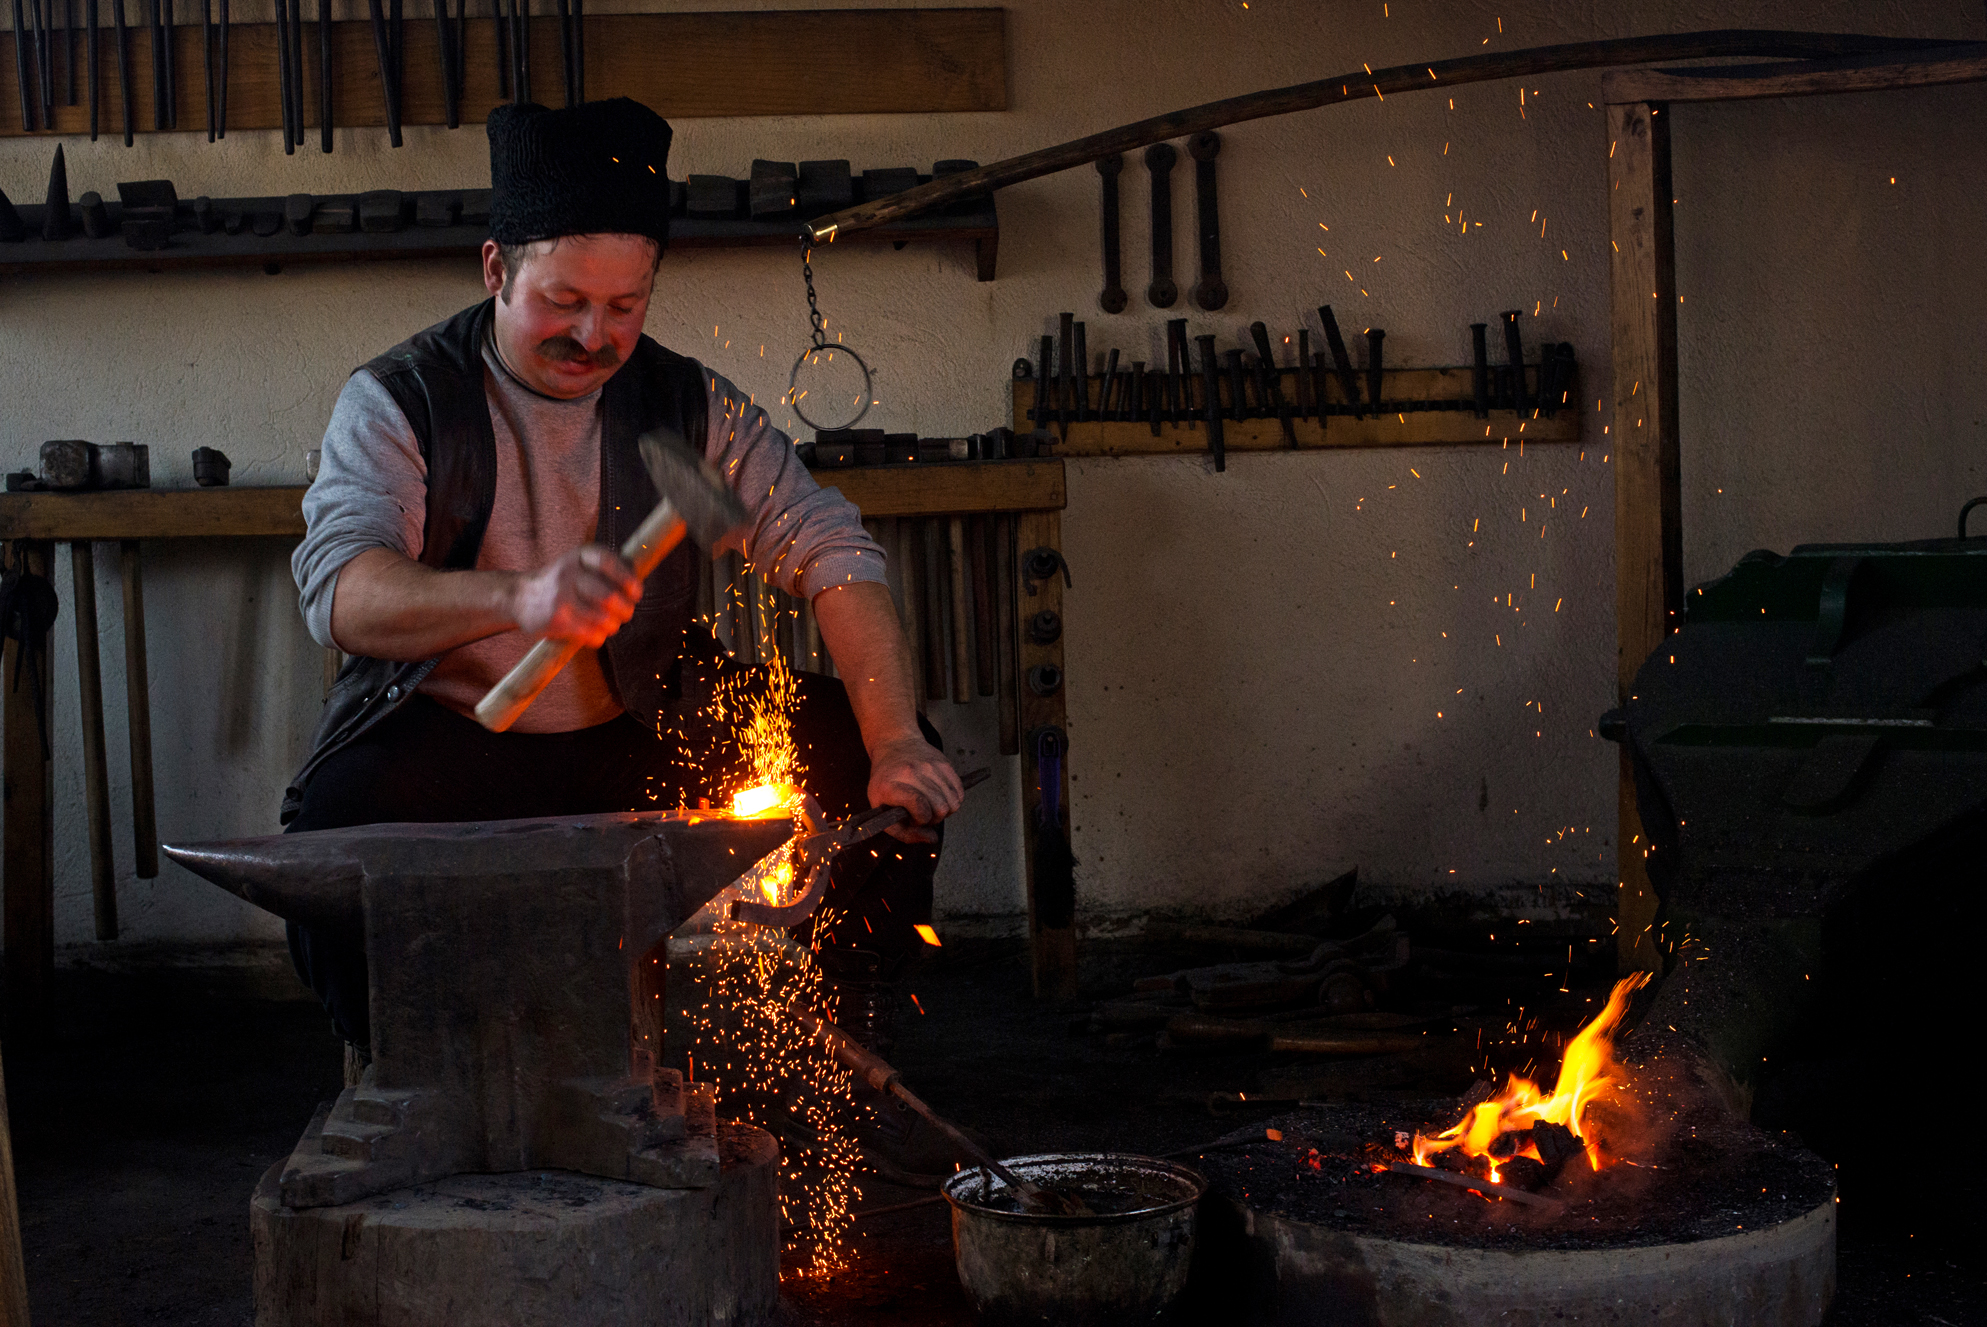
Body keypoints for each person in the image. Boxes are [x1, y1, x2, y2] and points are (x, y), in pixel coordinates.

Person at [284, 97, 963, 1063]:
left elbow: (830, 549)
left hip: (644, 723)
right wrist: (516, 598)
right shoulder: (400, 398)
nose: (594, 337)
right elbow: (342, 592)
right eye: (562, 301)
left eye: (624, 306)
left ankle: (821, 1048)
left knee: (863, 756)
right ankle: (423, 1081)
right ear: (495, 270)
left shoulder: (683, 402)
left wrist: (892, 734)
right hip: (454, 739)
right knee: (332, 837)